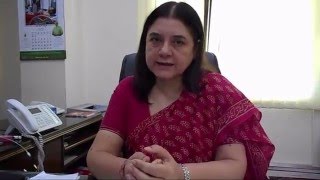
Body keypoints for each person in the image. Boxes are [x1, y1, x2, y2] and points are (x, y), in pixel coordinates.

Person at [86, 1, 275, 180]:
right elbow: (97, 156)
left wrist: (179, 173)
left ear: (195, 49)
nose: (164, 50)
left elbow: (234, 166)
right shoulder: (127, 89)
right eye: (155, 39)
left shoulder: (218, 91)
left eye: (178, 42)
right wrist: (127, 168)